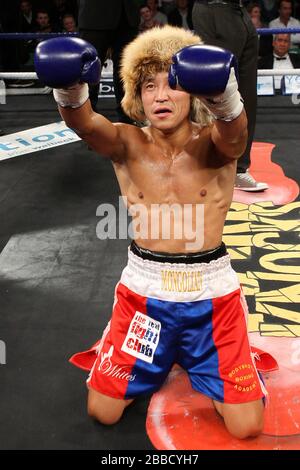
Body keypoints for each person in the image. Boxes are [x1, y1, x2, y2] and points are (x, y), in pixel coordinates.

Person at [34, 25, 267, 439]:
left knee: (246, 426)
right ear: (137, 97)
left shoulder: (215, 144)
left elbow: (235, 131)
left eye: (172, 84)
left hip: (211, 296)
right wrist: (70, 89)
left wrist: (224, 94)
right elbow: (85, 123)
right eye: (148, 85)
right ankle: (164, 355)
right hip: (145, 294)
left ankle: (200, 359)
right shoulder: (127, 143)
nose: (160, 95)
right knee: (101, 411)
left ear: (193, 90)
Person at [192, 0, 269, 191]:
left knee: (247, 94)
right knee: (217, 90)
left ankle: (239, 169)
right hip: (215, 9)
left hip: (240, 11)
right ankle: (212, 166)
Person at [78, 0, 141, 123]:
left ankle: (127, 115)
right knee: (90, 69)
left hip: (127, 16)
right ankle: (84, 117)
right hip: (94, 16)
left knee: (126, 70)